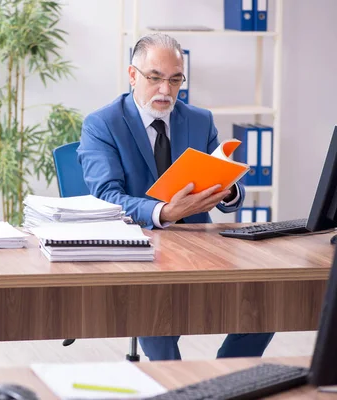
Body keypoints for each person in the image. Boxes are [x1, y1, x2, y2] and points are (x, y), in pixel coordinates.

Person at [76, 33, 274, 361]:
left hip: (199, 246)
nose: (166, 90)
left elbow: (230, 190)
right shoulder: (102, 124)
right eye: (154, 78)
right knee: (158, 318)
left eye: (175, 79)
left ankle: (225, 382)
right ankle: (179, 388)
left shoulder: (199, 120)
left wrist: (229, 187)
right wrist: (164, 212)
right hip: (138, 248)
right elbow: (107, 198)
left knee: (263, 306)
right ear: (132, 75)